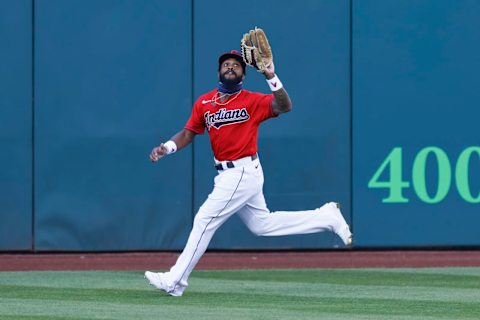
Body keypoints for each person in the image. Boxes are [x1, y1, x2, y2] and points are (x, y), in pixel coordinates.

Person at [145, 50, 352, 297]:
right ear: (219, 71)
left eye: (236, 64)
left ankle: (175, 280)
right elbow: (189, 132)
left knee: (204, 220)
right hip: (228, 174)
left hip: (241, 171)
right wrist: (167, 147)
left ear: (244, 73)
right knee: (261, 225)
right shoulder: (205, 103)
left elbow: (285, 106)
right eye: (226, 64)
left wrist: (271, 77)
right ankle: (326, 217)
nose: (230, 67)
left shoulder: (252, 100)